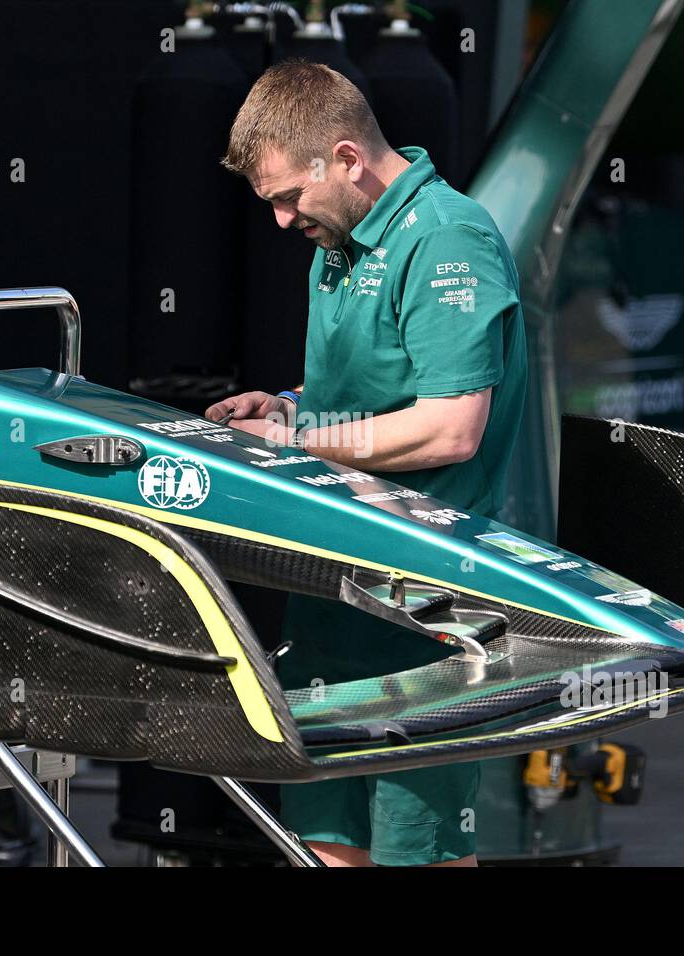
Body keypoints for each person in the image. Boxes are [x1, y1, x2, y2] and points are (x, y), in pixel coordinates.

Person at [207, 60, 528, 867]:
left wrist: (299, 442)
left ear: (347, 159)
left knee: (418, 851)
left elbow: (451, 428)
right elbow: (367, 391)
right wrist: (287, 404)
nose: (281, 222)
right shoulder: (339, 240)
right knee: (323, 845)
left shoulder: (449, 237)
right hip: (330, 598)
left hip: (425, 610)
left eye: (288, 197)